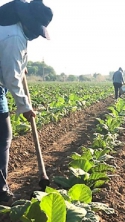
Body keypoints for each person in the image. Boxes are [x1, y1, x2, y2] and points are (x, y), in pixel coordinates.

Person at [0, 0, 53, 204]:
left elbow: (10, 61)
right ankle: (1, 191)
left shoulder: (10, 24)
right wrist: (25, 107)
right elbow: (11, 77)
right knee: (3, 136)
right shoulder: (14, 36)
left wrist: (21, 65)